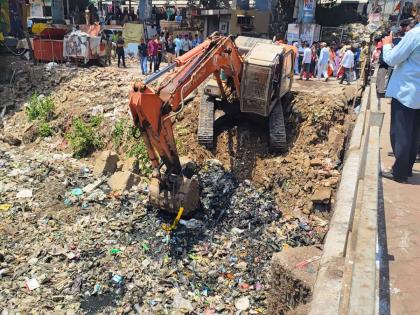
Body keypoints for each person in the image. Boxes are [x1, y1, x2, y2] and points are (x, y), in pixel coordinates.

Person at [380, 13, 420, 183]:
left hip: (407, 91)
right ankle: (406, 169)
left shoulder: (415, 34)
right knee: (414, 134)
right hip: (415, 93)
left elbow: (392, 59)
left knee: (401, 133)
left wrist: (387, 45)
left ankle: (399, 173)